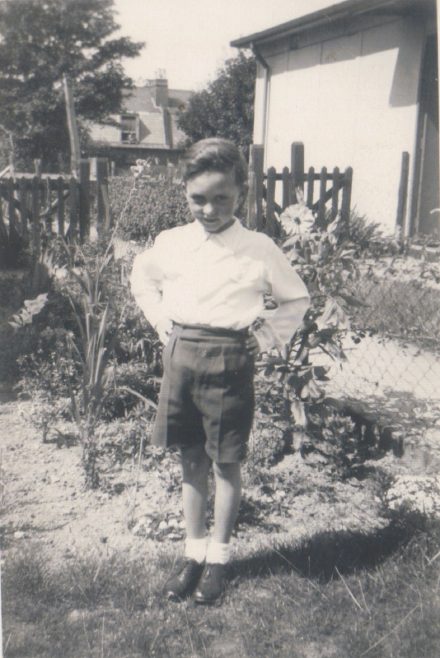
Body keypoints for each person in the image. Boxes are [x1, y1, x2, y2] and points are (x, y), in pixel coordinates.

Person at [130, 138, 309, 605]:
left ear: (240, 195)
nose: (209, 209)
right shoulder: (170, 243)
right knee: (191, 459)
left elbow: (296, 298)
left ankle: (220, 558)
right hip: (182, 355)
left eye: (221, 199)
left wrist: (266, 337)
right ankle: (192, 553)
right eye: (198, 198)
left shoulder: (258, 247)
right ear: (184, 192)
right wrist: (162, 323)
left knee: (226, 461)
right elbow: (141, 278)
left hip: (230, 359)